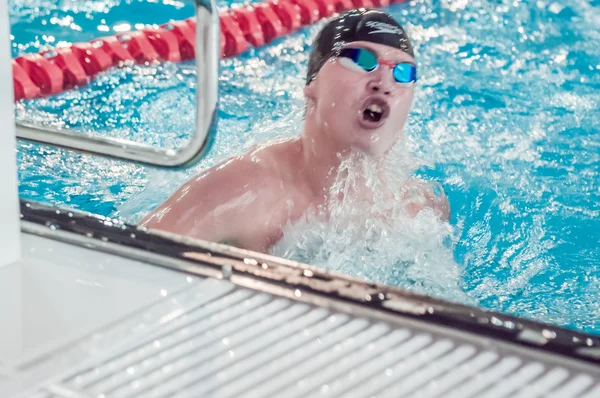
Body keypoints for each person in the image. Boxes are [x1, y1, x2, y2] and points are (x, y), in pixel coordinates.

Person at [139, 8, 449, 252]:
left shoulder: (422, 208)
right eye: (360, 59)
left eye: (403, 72)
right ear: (311, 85)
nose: (384, 82)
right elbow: (131, 264)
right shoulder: (244, 190)